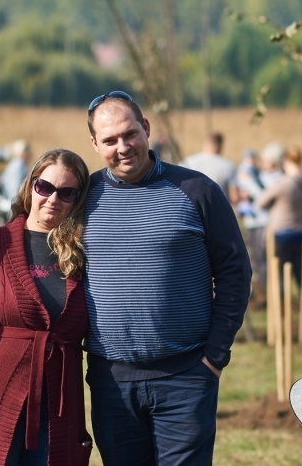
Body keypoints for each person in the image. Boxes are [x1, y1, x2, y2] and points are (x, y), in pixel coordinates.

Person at [83, 90, 251, 464]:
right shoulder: (84, 197)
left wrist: (214, 357)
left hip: (186, 377)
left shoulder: (197, 190)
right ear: (95, 144)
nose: (123, 147)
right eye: (109, 140)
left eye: (130, 134)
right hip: (112, 383)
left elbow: (234, 273)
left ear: (145, 127)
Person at [0, 148, 92, 466]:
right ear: (30, 186)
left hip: (58, 404)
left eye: (67, 193)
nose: (53, 199)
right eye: (45, 187)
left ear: (78, 199)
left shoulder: (85, 256)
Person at [257, 146, 302, 304]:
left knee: (279, 273)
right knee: (301, 273)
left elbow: (261, 202)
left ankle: (280, 305)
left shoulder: (283, 183)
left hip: (282, 233)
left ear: (286, 160)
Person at [238, 143, 285, 292]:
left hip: (265, 223)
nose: (263, 162)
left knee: (264, 260)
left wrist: (248, 183)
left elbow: (263, 199)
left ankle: (269, 293)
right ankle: (263, 292)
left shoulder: (279, 178)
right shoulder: (262, 174)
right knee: (256, 260)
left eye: (267, 160)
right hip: (252, 222)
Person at [179, 132, 238, 202]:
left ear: (206, 144)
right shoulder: (228, 166)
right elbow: (234, 197)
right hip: (216, 206)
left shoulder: (187, 161)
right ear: (220, 146)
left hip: (190, 205)